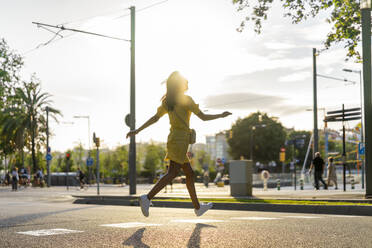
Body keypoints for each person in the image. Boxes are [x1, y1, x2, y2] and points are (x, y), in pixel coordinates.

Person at [126, 71, 231, 217]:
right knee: (173, 173)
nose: (187, 82)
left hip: (175, 139)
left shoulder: (168, 101)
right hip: (180, 141)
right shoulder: (186, 100)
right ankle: (147, 198)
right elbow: (203, 117)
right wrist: (220, 115)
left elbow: (155, 118)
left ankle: (197, 207)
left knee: (189, 173)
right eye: (185, 81)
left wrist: (137, 130)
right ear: (180, 84)